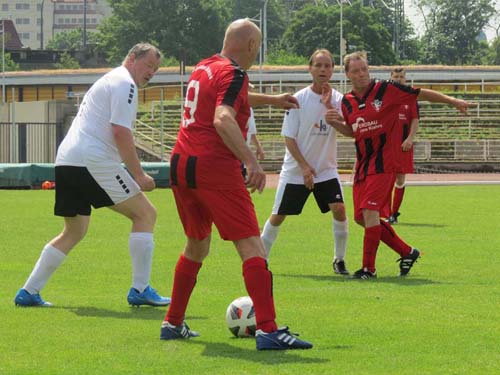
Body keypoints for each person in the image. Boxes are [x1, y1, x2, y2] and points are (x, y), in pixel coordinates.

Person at [160, 19, 313, 351]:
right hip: (214, 166)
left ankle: (172, 322)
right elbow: (222, 118)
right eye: (258, 46)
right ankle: (269, 330)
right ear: (251, 46)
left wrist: (273, 100)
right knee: (252, 247)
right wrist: (251, 161)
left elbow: (232, 99)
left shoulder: (205, 66)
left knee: (197, 245)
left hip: (181, 164)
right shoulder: (235, 73)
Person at [14, 43, 171, 307]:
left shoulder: (109, 80)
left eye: (155, 69)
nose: (151, 73)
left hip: (67, 160)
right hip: (92, 161)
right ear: (132, 58)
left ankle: (28, 291)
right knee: (146, 214)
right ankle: (140, 288)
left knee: (74, 230)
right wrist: (139, 175)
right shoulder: (125, 84)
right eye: (149, 66)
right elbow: (120, 131)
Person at [325, 51, 469, 279]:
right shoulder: (347, 102)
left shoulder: (386, 89)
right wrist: (335, 124)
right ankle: (407, 252)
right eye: (356, 70)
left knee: (370, 213)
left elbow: (420, 94)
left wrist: (452, 101)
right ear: (347, 74)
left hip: (385, 163)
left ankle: (368, 269)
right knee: (361, 218)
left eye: (364, 69)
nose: (361, 74)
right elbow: (355, 132)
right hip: (363, 165)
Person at [260, 49, 349, 275]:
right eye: (318, 65)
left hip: (326, 170)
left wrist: (330, 107)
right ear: (310, 68)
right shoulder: (298, 99)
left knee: (339, 209)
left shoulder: (339, 100)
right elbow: (289, 138)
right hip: (296, 171)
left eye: (327, 65)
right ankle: (259, 260)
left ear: (333, 70)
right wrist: (304, 167)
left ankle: (339, 260)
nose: (322, 70)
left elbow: (350, 131)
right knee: (278, 216)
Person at [386, 67, 420, 224]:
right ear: (391, 78)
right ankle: (385, 212)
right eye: (396, 76)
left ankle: (394, 213)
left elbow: (415, 119)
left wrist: (410, 139)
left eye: (401, 76)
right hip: (386, 145)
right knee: (385, 178)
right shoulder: (385, 95)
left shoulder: (410, 97)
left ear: (405, 79)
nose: (399, 79)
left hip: (403, 145)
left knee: (400, 179)